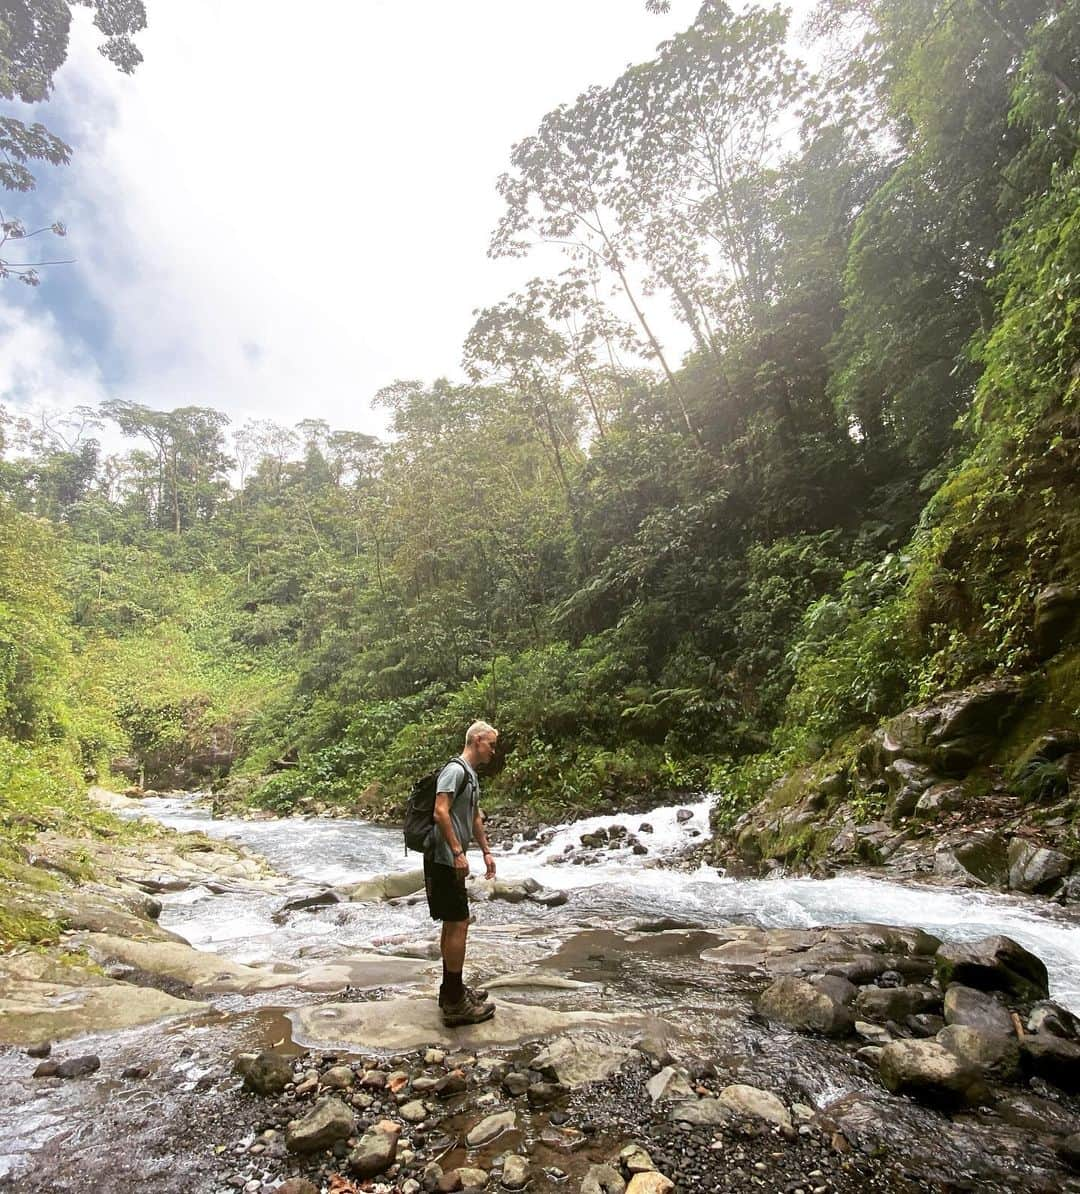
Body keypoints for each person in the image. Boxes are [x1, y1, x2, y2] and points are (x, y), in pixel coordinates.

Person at [425, 719, 498, 1026]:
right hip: (442, 859)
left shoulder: (470, 776)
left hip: (450, 857)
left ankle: (450, 991)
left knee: (454, 923)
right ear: (477, 740)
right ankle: (455, 1005)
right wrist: (457, 852)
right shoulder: (454, 770)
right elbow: (440, 811)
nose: (494, 750)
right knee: (458, 923)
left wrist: (486, 851)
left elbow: (474, 816)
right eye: (491, 744)